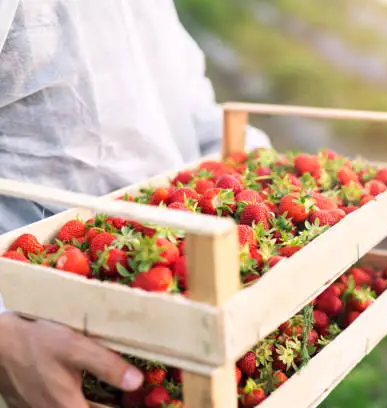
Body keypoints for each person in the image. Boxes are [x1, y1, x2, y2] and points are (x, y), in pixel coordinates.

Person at [0, 1, 271, 406]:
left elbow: (197, 119)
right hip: (44, 340)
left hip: (181, 295)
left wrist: (266, 179)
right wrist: (5, 340)